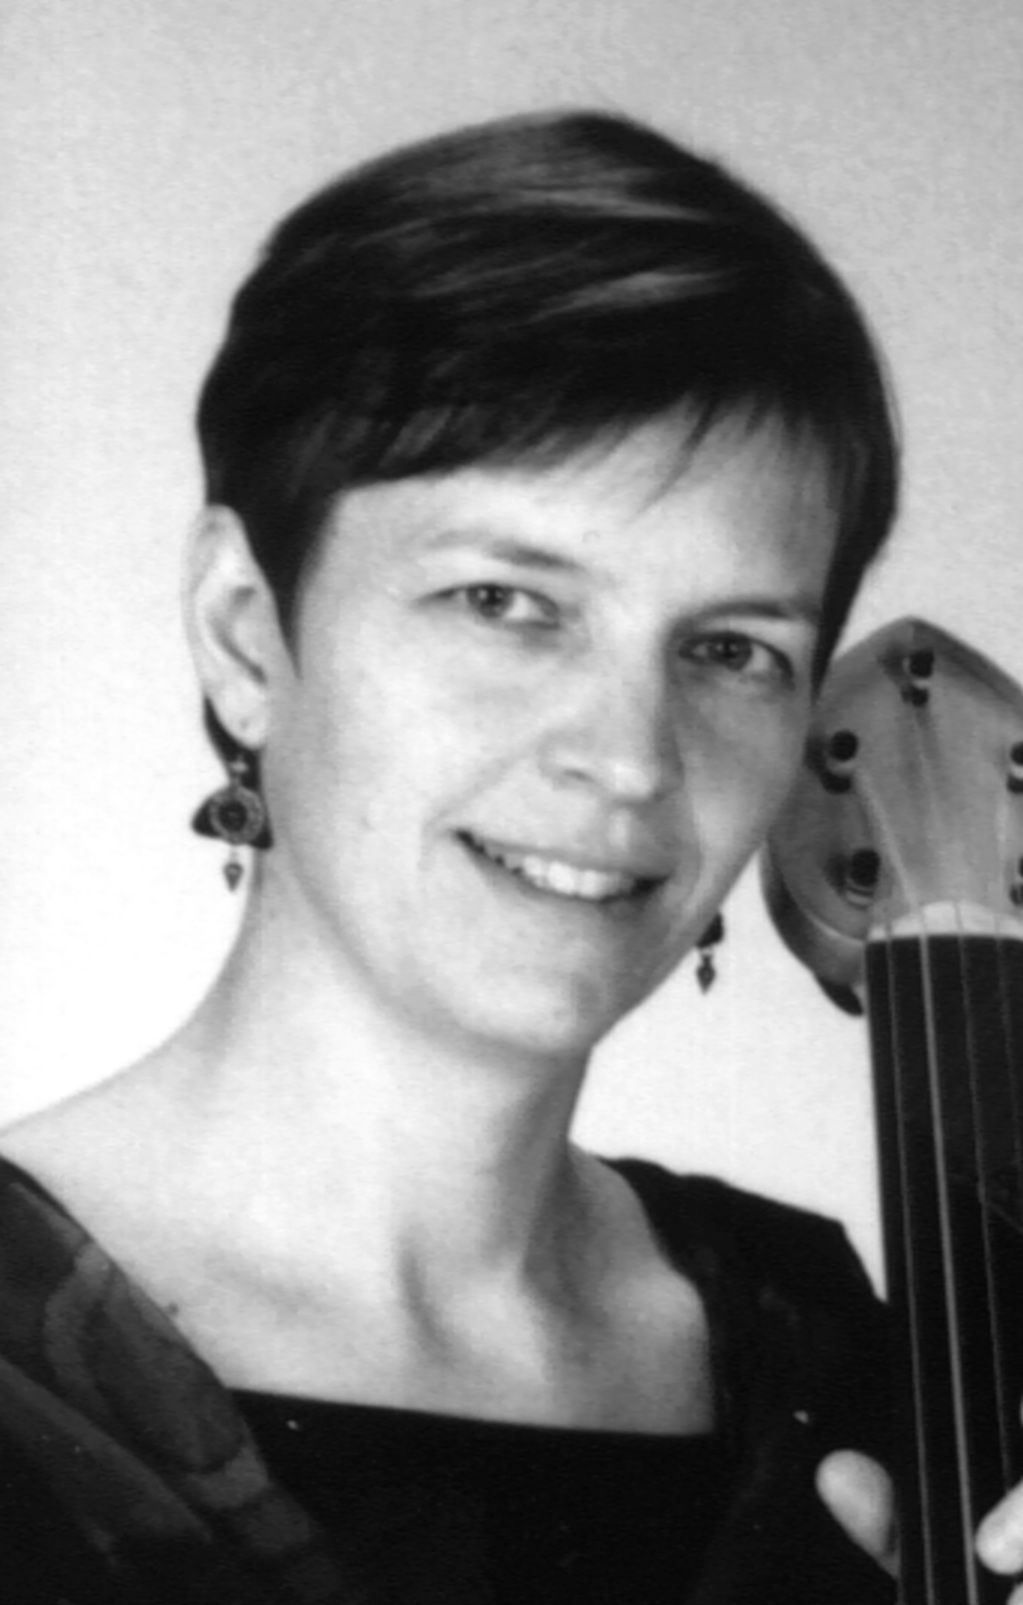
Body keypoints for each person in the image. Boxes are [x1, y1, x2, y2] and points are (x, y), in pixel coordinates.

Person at [0, 109, 1020, 1604]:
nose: (630, 754)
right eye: (505, 602)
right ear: (244, 630)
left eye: (731, 649)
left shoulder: (826, 1352)